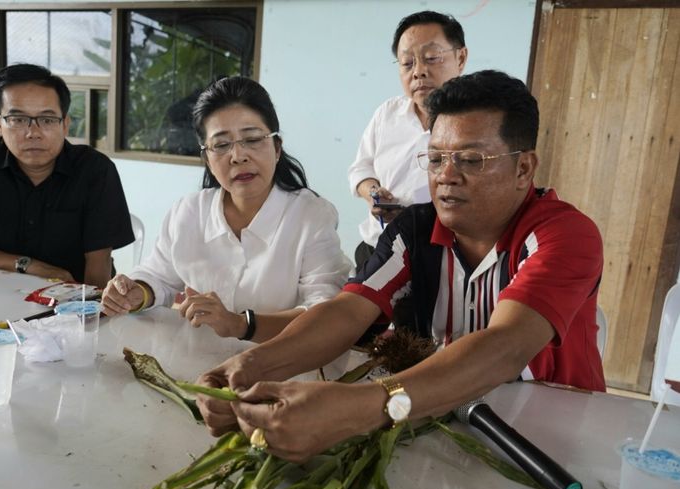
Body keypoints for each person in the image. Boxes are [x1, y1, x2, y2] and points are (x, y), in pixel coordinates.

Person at [194, 70, 606, 463]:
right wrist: (252, 365)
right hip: (443, 415)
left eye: (471, 160)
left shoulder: (565, 235)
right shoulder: (416, 229)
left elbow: (505, 347)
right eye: (435, 158)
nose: (446, 176)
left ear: (523, 168)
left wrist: (364, 406)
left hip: (553, 436)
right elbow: (348, 311)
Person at [101, 77, 351, 342]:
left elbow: (324, 312)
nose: (238, 156)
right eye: (221, 145)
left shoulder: (311, 216)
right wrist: (136, 292)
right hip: (196, 364)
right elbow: (157, 276)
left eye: (252, 139)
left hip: (280, 369)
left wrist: (240, 324)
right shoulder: (189, 212)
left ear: (277, 148)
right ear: (207, 158)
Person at [0, 64, 134, 288]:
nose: (33, 133)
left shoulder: (94, 171)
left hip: (69, 305)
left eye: (48, 120)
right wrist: (28, 264)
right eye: (18, 119)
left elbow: (98, 265)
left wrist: (89, 314)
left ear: (65, 125)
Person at [348, 11, 467, 269]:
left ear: (461, 58)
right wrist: (373, 194)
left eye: (432, 58)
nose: (419, 72)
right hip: (377, 249)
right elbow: (361, 169)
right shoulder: (388, 113)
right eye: (407, 63)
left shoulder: (472, 125)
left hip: (437, 258)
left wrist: (413, 218)